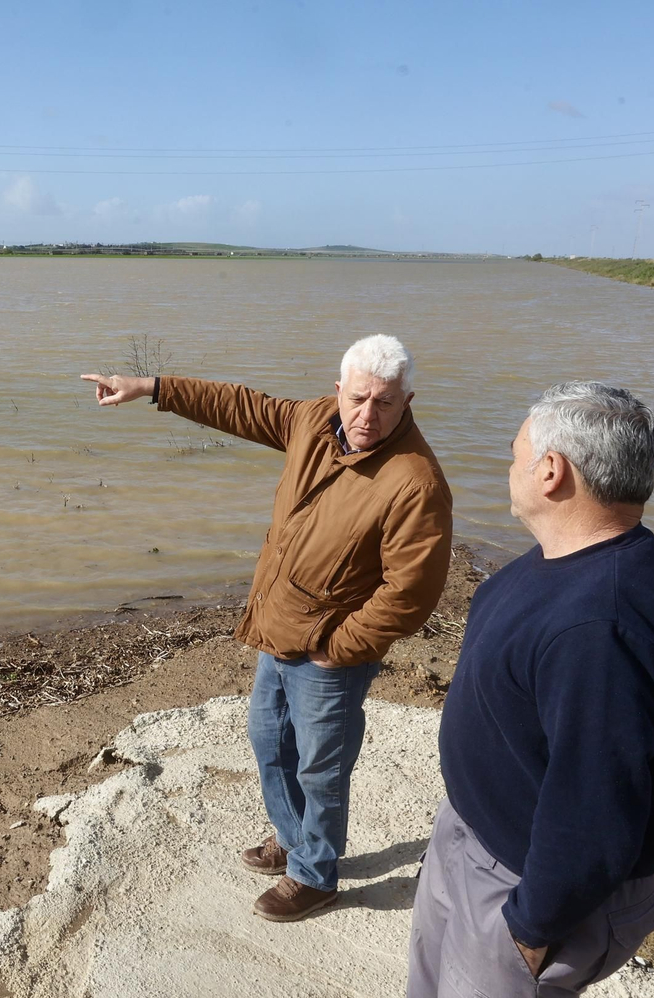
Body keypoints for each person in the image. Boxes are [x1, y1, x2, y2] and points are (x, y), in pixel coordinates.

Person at [80, 334, 453, 921]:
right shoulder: (312, 422)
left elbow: (412, 593)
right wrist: (149, 387)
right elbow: (239, 405)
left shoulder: (415, 481)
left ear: (408, 401)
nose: (367, 415)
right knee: (268, 741)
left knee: (320, 768)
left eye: (385, 403)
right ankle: (293, 836)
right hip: (278, 627)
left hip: (331, 652)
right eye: (358, 399)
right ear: (338, 391)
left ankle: (316, 874)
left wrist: (339, 648)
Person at [407, 382, 654, 998]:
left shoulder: (604, 627)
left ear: (551, 471)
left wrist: (529, 927)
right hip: (474, 836)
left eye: (516, 454)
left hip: (521, 886)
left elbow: (597, 810)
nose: (509, 467)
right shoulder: (563, 558)